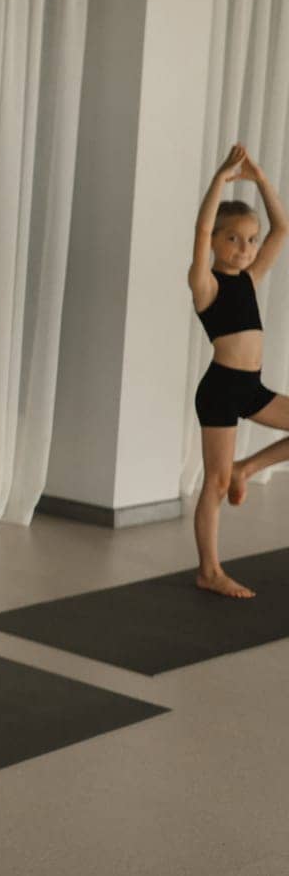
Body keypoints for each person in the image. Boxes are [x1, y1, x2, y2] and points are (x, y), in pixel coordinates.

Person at [188, 142, 288, 599]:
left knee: (231, 474)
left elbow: (282, 228)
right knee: (215, 481)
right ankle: (209, 570)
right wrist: (220, 181)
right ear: (214, 243)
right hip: (221, 389)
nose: (246, 249)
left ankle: (248, 468)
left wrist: (262, 179)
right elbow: (202, 224)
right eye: (233, 239)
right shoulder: (206, 284)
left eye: (250, 240)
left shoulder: (250, 277)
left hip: (250, 387)